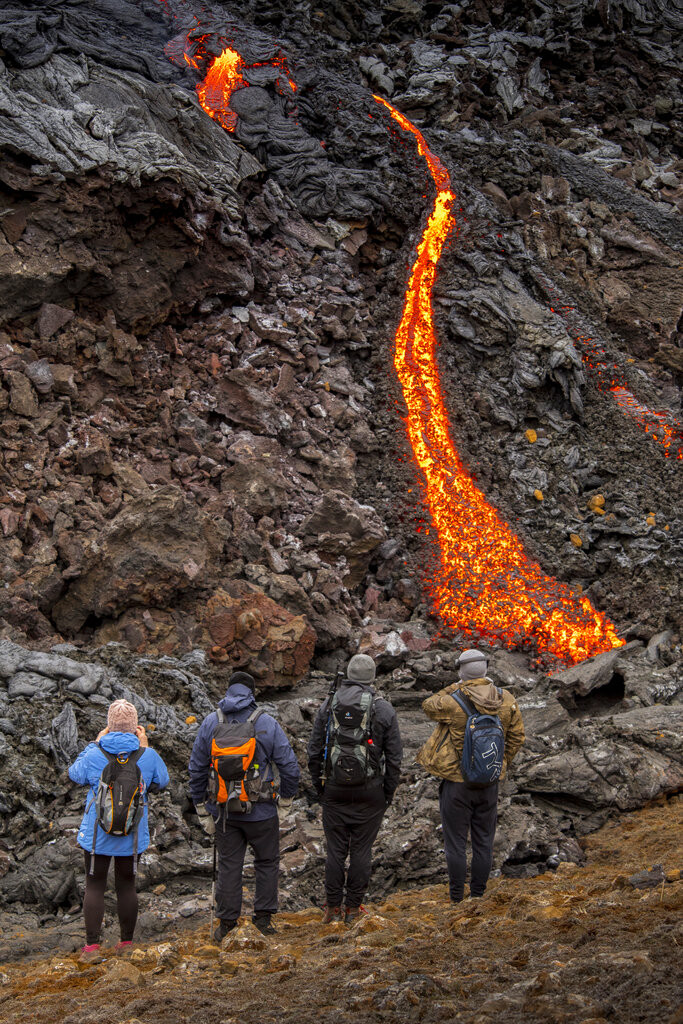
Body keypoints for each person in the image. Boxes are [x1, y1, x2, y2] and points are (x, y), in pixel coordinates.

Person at [188, 671, 300, 940]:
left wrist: (202, 808)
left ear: (228, 691)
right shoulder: (266, 723)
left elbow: (196, 769)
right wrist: (285, 800)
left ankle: (226, 924)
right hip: (262, 810)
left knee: (229, 865)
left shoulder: (210, 722)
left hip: (225, 811)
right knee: (267, 862)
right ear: (252, 693)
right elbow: (290, 767)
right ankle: (263, 920)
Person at [417, 648, 525, 903]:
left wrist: (454, 686)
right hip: (489, 783)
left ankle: (456, 897)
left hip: (457, 783)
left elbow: (427, 706)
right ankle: (478, 895)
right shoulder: (506, 698)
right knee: (483, 842)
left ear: (461, 670)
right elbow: (517, 737)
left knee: (455, 843)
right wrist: (499, 763)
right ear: (487, 668)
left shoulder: (453, 700)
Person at [68, 698, 169, 960]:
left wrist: (94, 742)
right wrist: (144, 747)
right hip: (132, 835)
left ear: (109, 727)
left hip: (96, 836)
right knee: (127, 886)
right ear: (136, 727)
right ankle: (125, 944)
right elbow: (163, 781)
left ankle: (91, 947)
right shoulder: (147, 755)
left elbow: (75, 774)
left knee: (94, 886)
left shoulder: (94, 753)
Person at [307, 654, 403, 924]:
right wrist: (387, 793)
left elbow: (314, 751)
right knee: (361, 850)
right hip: (370, 791)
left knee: (335, 850)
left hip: (334, 790)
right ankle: (353, 909)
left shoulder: (329, 704)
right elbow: (394, 758)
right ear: (372, 678)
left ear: (348, 674)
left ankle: (332, 908)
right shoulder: (383, 709)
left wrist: (320, 788)